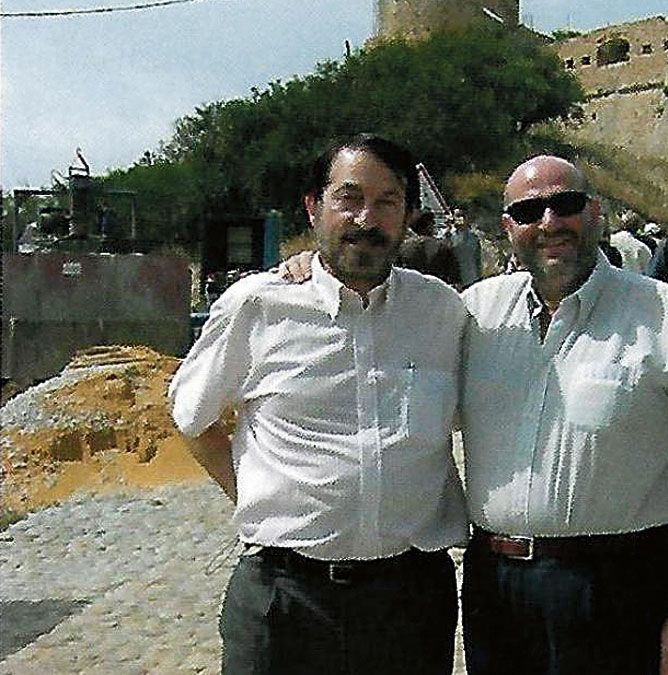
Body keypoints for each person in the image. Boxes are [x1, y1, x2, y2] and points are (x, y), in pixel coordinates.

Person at [169, 134, 467, 675]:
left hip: (409, 604)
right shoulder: (259, 306)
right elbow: (191, 416)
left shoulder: (444, 313)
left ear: (409, 214)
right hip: (285, 603)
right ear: (314, 206)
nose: (365, 218)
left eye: (386, 202)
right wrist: (253, 494)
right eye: (348, 198)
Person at [460, 156, 668, 675]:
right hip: (497, 590)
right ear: (509, 227)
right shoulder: (474, 314)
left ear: (594, 212)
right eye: (530, 211)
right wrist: (303, 274)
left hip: (624, 588)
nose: (550, 222)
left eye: (565, 204)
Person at [399, 210, 461, 286]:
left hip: (410, 290)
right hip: (438, 290)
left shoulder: (404, 248)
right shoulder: (442, 247)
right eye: (433, 223)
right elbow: (455, 277)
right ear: (429, 226)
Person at [450, 208, 483, 286]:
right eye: (457, 216)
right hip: (456, 281)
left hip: (472, 278)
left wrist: (479, 277)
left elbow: (477, 258)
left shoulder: (474, 237)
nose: (461, 219)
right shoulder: (448, 236)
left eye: (462, 216)